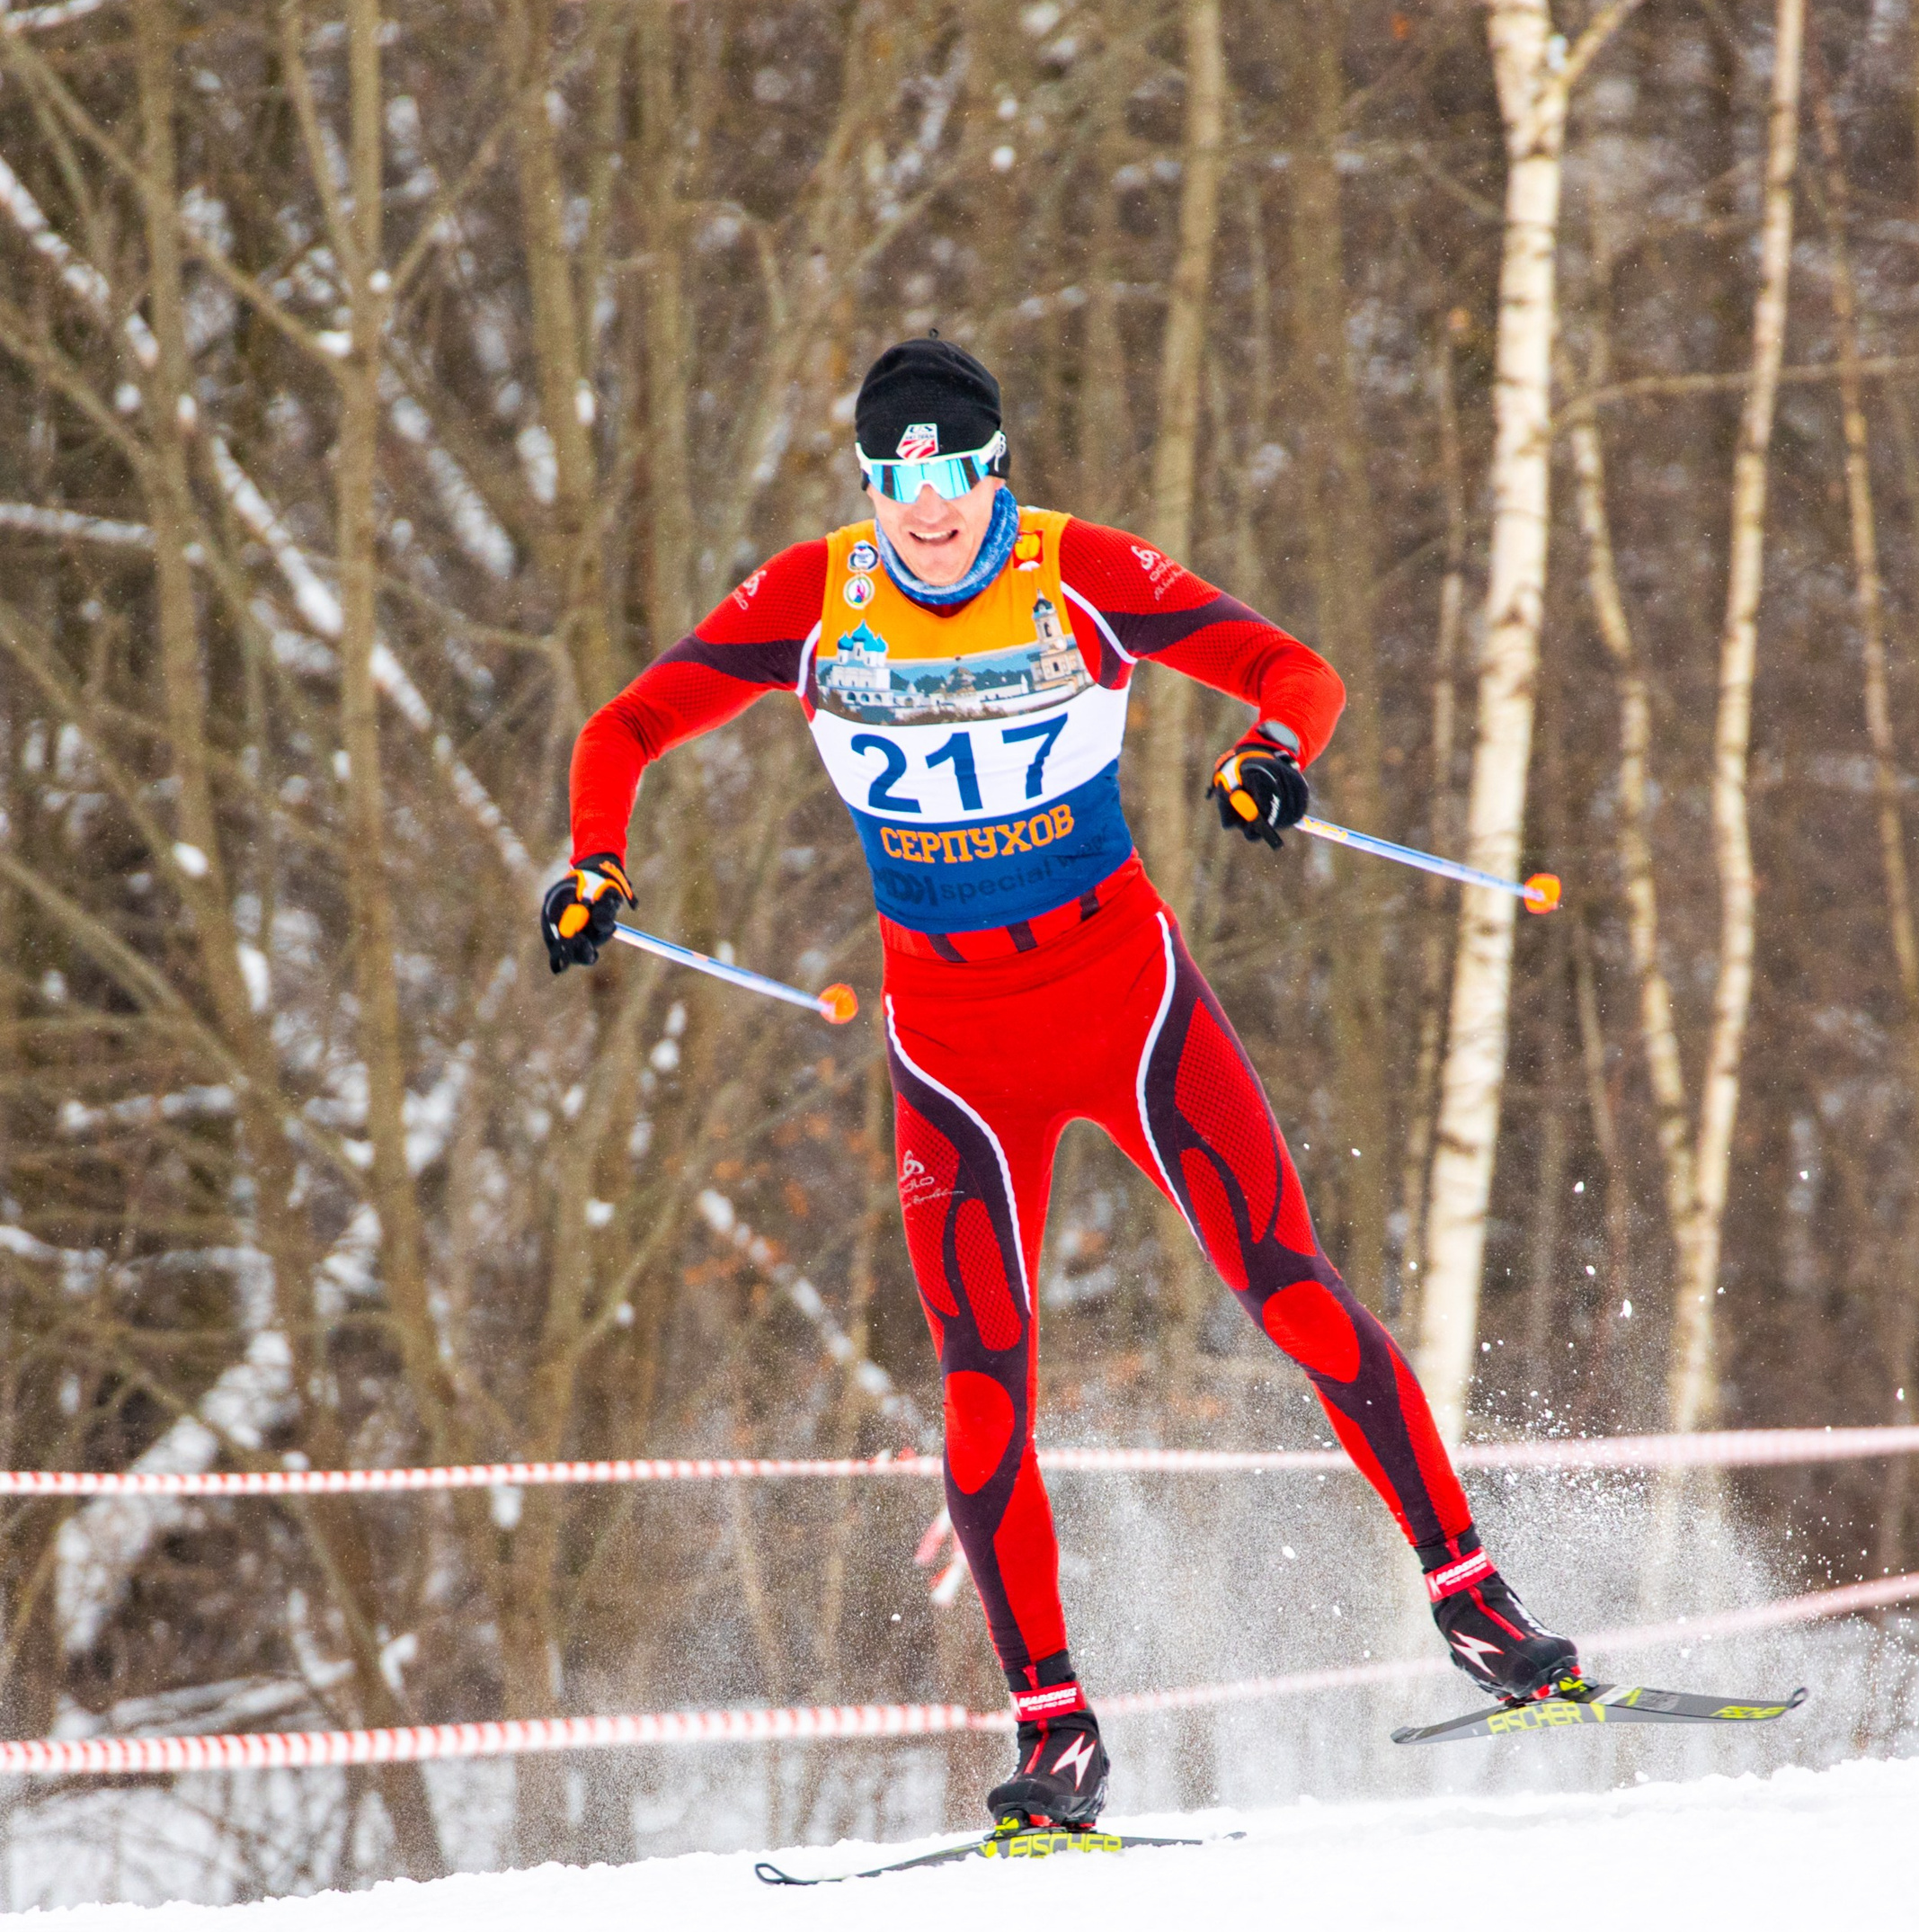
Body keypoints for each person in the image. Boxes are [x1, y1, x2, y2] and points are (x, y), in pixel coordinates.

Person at [545, 336, 1577, 1829]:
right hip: (953, 1051)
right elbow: (624, 724)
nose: (929, 505)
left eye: (955, 470)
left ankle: (1474, 1600)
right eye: (898, 476)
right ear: (868, 486)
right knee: (980, 1391)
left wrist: (1272, 751)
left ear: (995, 469)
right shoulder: (812, 597)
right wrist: (596, 855)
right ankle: (1057, 1731)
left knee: (1286, 1284)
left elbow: (1297, 669)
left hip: (1127, 1001)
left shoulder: (1076, 567)